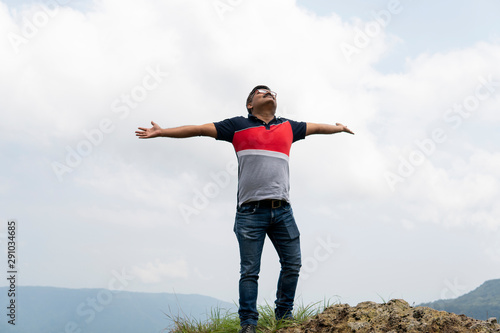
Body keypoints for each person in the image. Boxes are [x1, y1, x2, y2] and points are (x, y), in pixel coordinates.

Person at [135, 85, 354, 333]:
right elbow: (198, 129)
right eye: (261, 92)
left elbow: (317, 128)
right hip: (250, 213)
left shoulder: (289, 127)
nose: (268, 93)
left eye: (272, 92)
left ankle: (284, 317)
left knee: (293, 264)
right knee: (250, 271)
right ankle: (248, 324)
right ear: (250, 104)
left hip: (283, 211)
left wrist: (338, 128)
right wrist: (162, 132)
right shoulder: (236, 125)